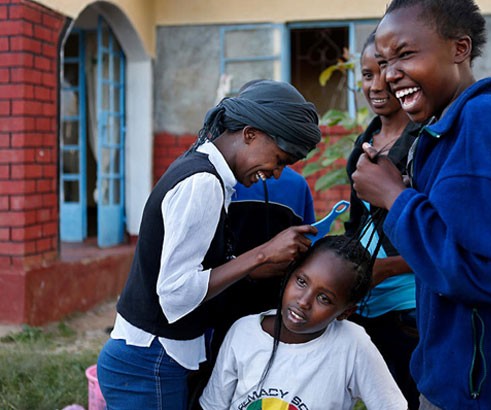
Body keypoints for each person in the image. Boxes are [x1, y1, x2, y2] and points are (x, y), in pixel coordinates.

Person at [351, 1, 491, 409]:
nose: (389, 74)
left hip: (488, 394)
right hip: (456, 382)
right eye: (382, 62)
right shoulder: (447, 128)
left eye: (404, 54)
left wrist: (395, 199)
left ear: (460, 48)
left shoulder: (483, 121)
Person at [96, 79, 322, 410]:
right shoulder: (203, 183)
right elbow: (175, 294)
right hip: (151, 364)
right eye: (279, 159)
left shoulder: (206, 171)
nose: (276, 174)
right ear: (249, 134)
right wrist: (261, 254)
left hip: (152, 360)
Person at [199, 235, 408, 410]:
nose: (303, 301)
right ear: (289, 275)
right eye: (301, 281)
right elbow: (214, 405)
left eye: (324, 298)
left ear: (345, 312)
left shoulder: (352, 345)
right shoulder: (243, 332)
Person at [187, 167, 316, 409]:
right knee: (213, 385)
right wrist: (250, 267)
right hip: (217, 311)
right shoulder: (213, 181)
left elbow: (307, 244)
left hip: (273, 313)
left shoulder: (297, 185)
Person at [345, 30, 421, 409]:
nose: (376, 85)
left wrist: (387, 268)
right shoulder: (366, 141)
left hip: (410, 308)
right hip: (367, 304)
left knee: (409, 396)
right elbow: (357, 223)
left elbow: (442, 238)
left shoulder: (424, 143)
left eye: (384, 71)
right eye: (366, 74)